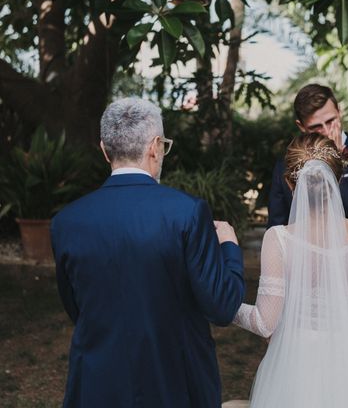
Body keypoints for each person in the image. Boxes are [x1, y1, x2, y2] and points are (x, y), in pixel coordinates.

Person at [51, 97, 245, 408]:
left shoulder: (66, 222)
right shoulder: (187, 213)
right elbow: (222, 305)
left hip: (96, 386)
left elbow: (76, 306)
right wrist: (230, 247)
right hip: (176, 385)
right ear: (155, 146)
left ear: (104, 149)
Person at [235, 133, 348, 407]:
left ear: (291, 184)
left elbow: (264, 322)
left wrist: (227, 307)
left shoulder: (278, 239)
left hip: (295, 367)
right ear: (339, 180)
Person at [268, 84, 348, 345]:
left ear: (339, 111)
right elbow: (278, 227)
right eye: (316, 128)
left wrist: (333, 168)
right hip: (305, 305)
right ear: (301, 126)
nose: (326, 131)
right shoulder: (285, 168)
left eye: (331, 121)